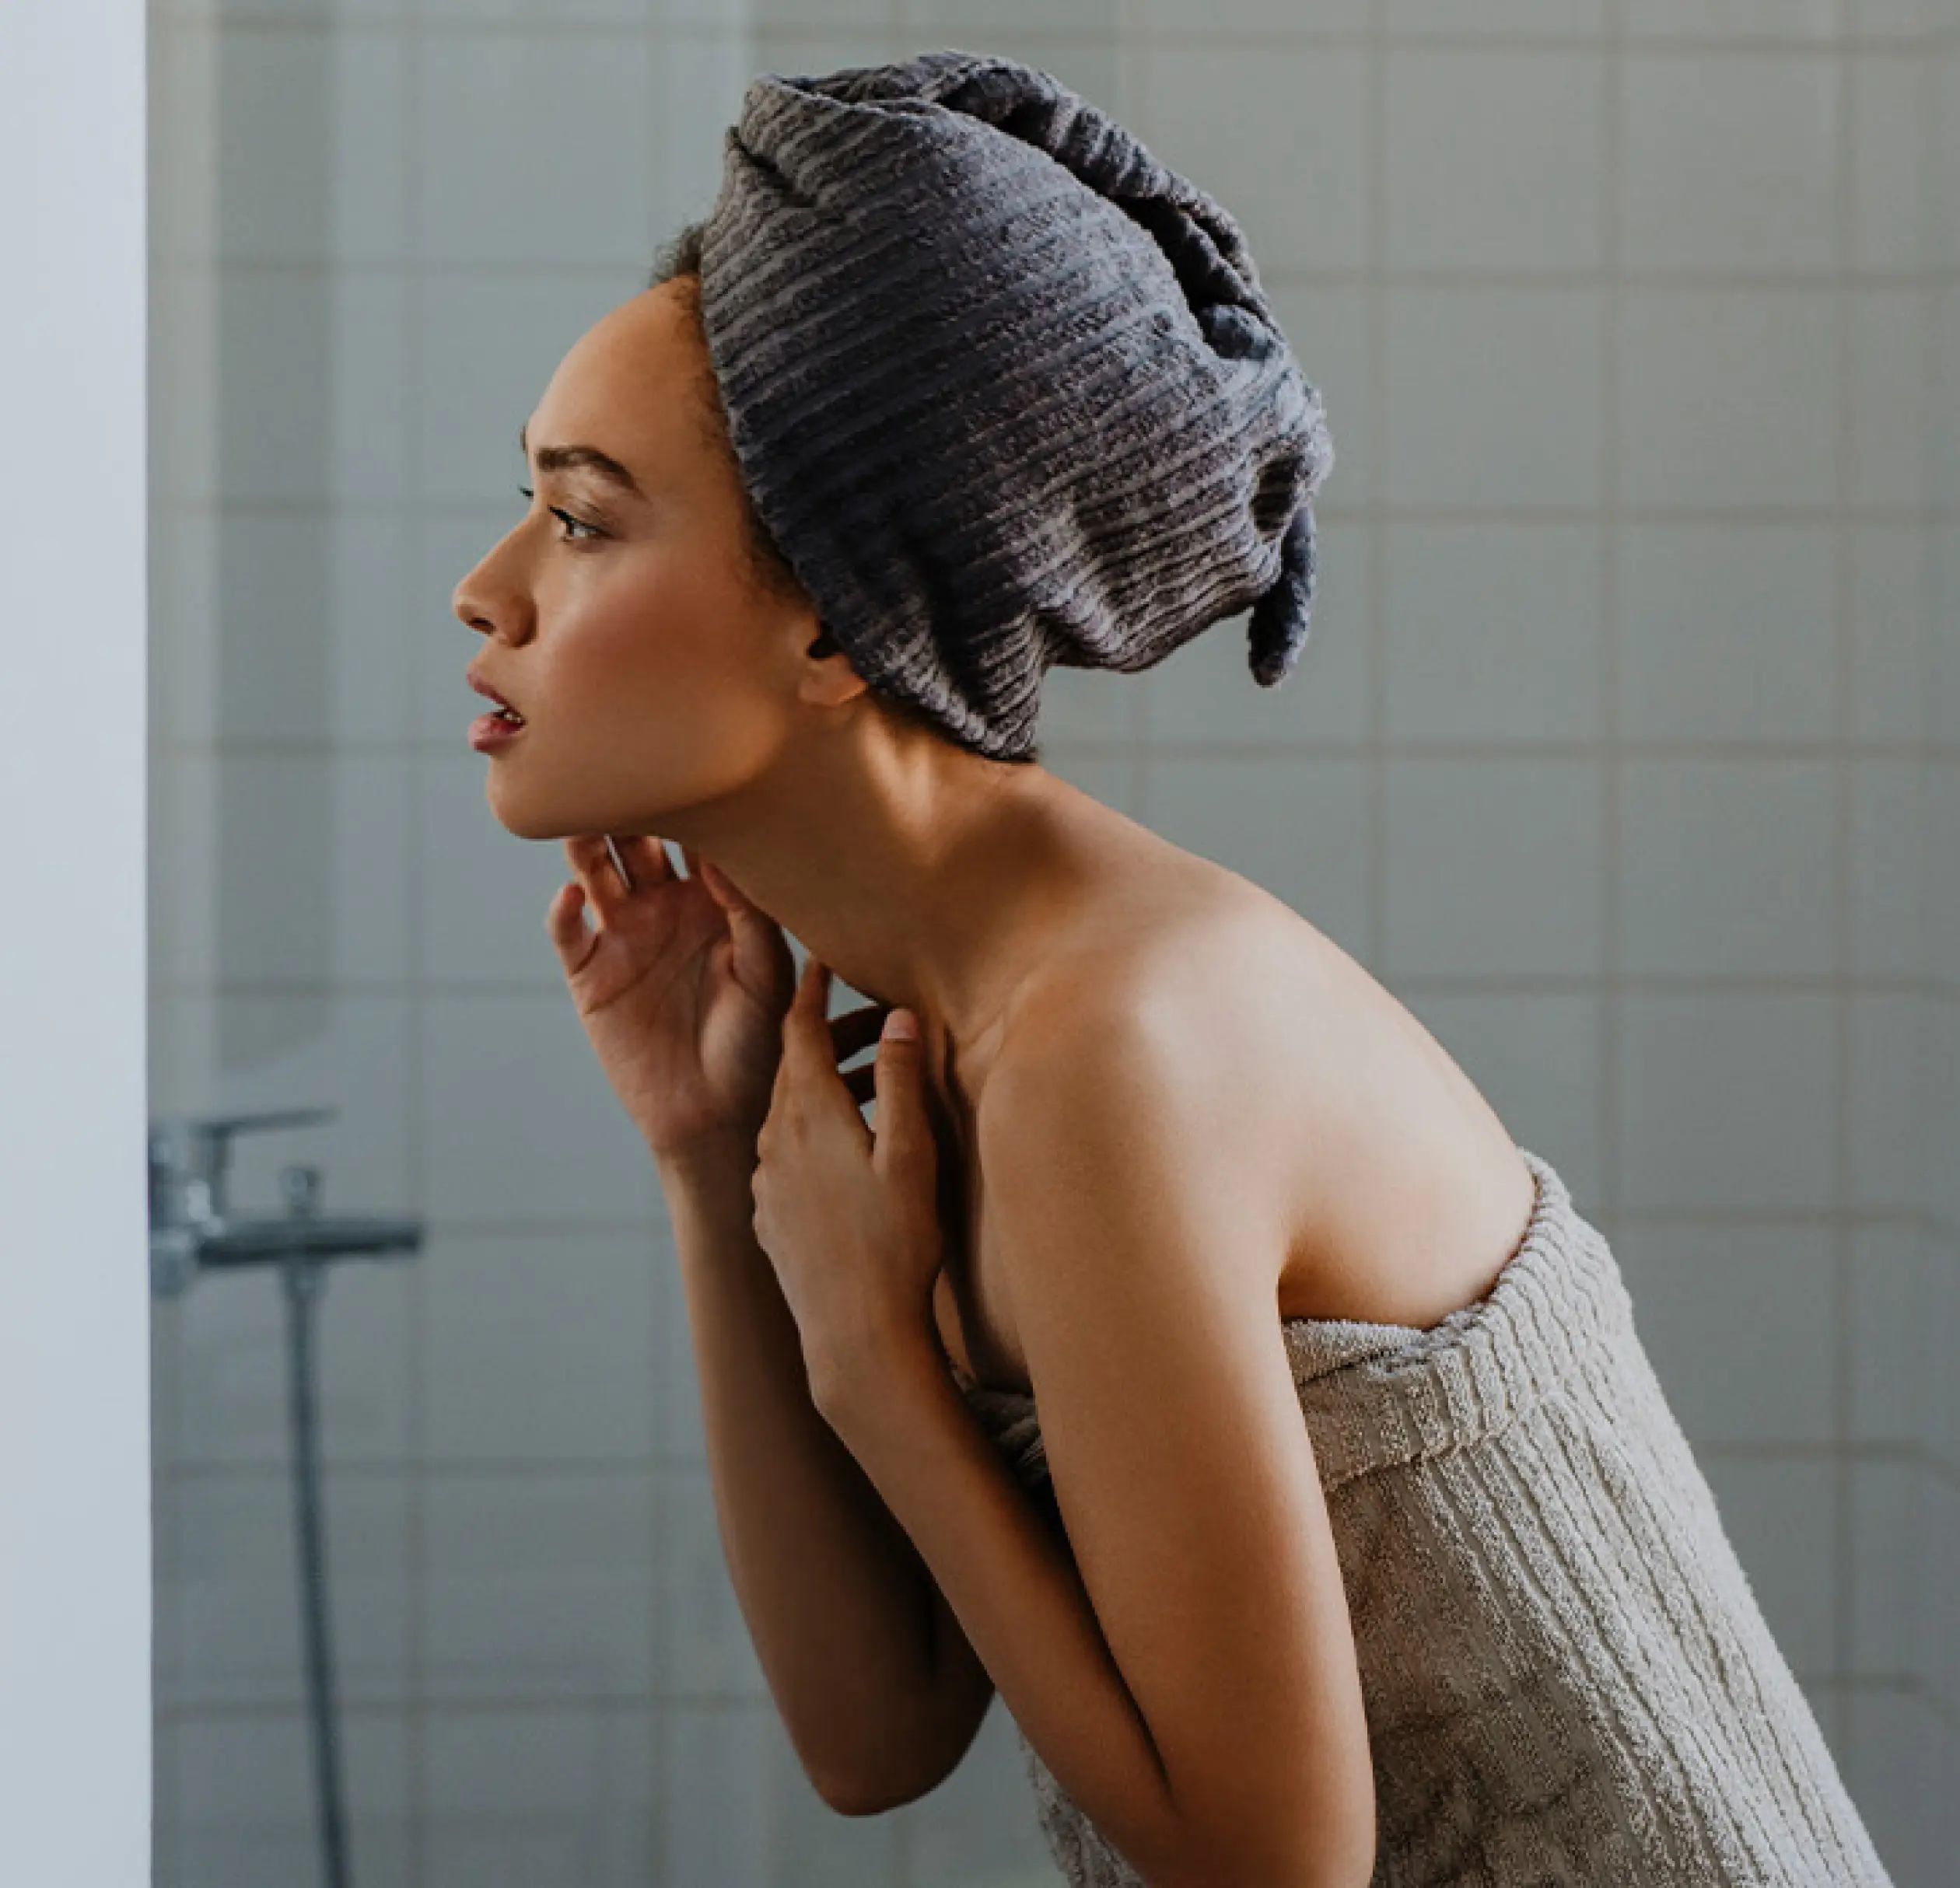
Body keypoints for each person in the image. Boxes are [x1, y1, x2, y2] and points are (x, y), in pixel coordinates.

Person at [449, 49, 1895, 1888]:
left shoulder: (1111, 1042)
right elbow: (874, 1732)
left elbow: (1278, 1863)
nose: (487, 588)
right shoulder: (972, 1013)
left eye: (581, 519)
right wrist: (706, 1163)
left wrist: (882, 1364)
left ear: (835, 620)